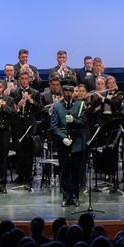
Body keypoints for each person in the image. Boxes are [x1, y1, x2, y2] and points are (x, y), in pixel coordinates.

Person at [50, 79, 87, 207]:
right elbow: (54, 126)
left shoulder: (80, 105)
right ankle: (66, 196)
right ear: (62, 91)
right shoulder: (57, 106)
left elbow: (83, 123)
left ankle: (75, 196)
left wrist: (74, 121)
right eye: (66, 90)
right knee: (64, 171)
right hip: (63, 142)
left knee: (75, 172)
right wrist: (62, 137)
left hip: (76, 141)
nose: (68, 93)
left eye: (71, 90)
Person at [10, 69, 43, 184]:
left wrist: (31, 101)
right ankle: (20, 174)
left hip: (30, 124)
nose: (24, 81)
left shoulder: (35, 92)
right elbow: (10, 108)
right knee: (19, 150)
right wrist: (17, 106)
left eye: (26, 79)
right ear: (19, 80)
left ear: (29, 80)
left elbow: (40, 109)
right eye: (22, 79)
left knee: (29, 150)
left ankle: (29, 174)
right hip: (18, 124)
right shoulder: (14, 92)